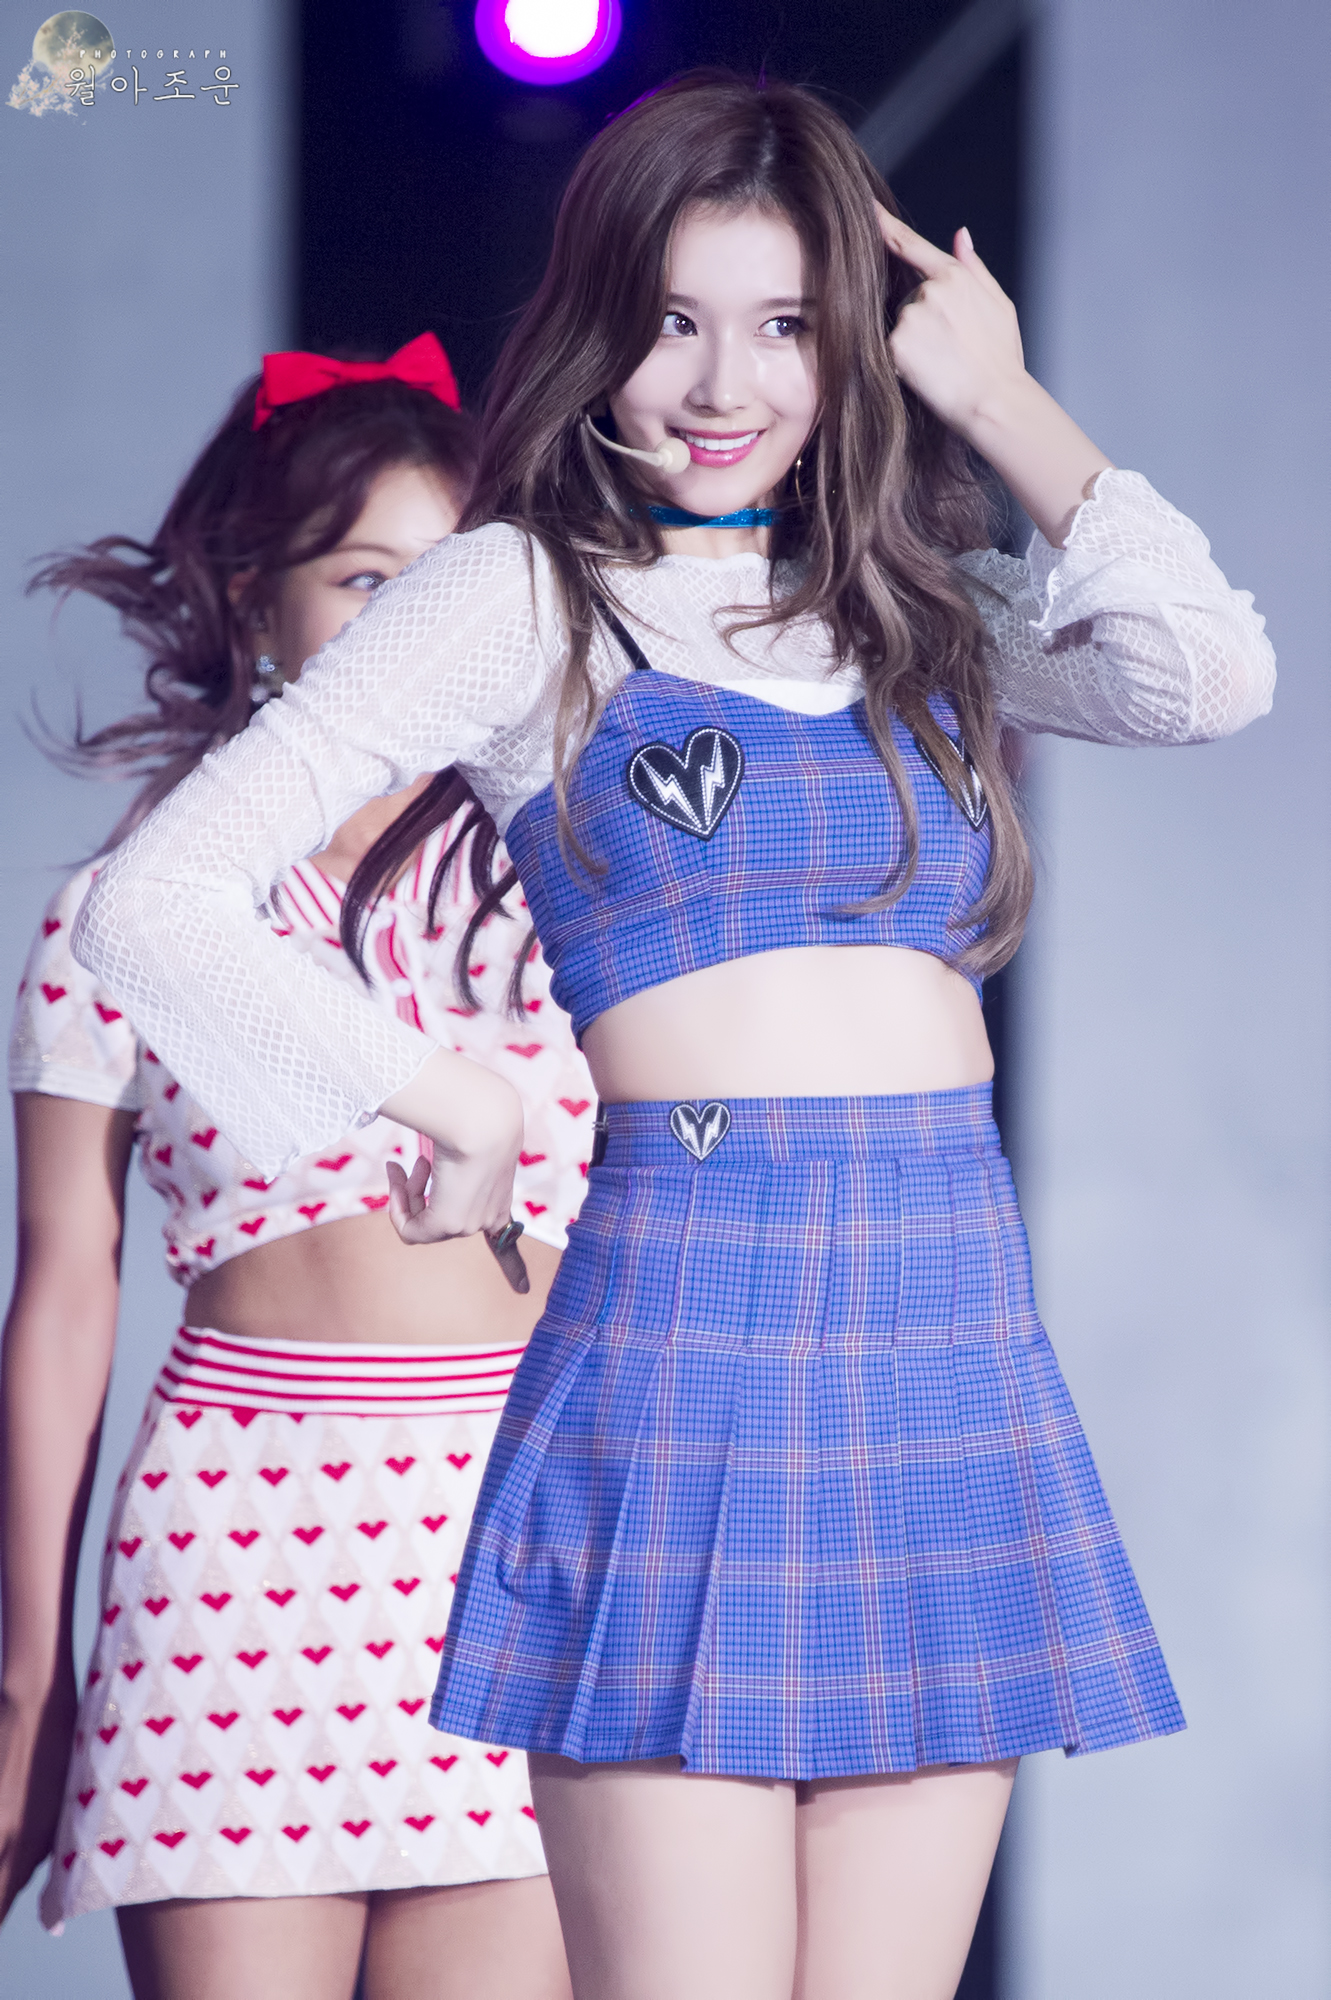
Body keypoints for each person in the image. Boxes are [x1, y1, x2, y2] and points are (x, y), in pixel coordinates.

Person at [72, 74, 1276, 2000]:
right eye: (673, 323)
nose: (724, 386)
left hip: (946, 1322)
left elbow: (1208, 676)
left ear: (855, 343)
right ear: (597, 332)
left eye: (786, 324)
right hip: (680, 1324)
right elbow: (159, 899)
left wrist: (1001, 400)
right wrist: (442, 1096)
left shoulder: (915, 608)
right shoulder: (521, 596)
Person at [1, 337, 590, 2000]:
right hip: (236, 1573)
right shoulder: (117, 921)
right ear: (257, 602)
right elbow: (62, 1304)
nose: (414, 629)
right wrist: (29, 1683)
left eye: (449, 588)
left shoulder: (573, 888)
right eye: (365, 580)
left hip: (518, 1557)